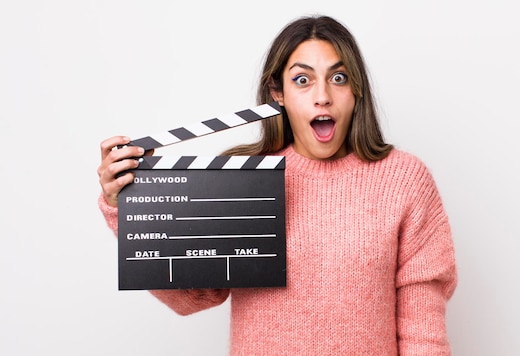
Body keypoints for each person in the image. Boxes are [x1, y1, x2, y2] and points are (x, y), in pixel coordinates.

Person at [97, 15, 457, 355]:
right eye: (303, 80)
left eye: (339, 77)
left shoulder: (405, 180)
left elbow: (422, 331)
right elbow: (192, 296)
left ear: (356, 89)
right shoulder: (242, 180)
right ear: (278, 93)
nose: (322, 96)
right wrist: (127, 207)